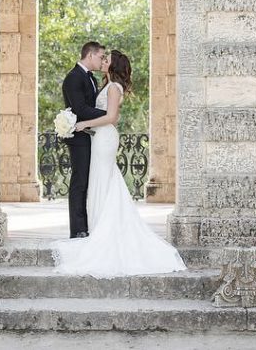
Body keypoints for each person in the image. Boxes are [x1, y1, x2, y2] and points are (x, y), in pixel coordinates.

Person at [51, 50, 187, 277]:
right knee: (100, 180)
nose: (103, 62)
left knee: (103, 179)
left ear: (114, 65)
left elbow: (111, 117)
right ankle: (99, 228)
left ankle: (106, 231)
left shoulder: (114, 87)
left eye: (107, 60)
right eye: (103, 58)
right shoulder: (107, 84)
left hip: (104, 137)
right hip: (101, 136)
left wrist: (83, 124)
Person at [60, 41, 107, 238]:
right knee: (80, 182)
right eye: (100, 57)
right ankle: (78, 229)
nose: (102, 60)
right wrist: (108, 114)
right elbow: (79, 109)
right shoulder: (73, 78)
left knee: (89, 182)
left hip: (90, 136)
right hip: (79, 138)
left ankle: (88, 225)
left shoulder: (91, 79)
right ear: (90, 55)